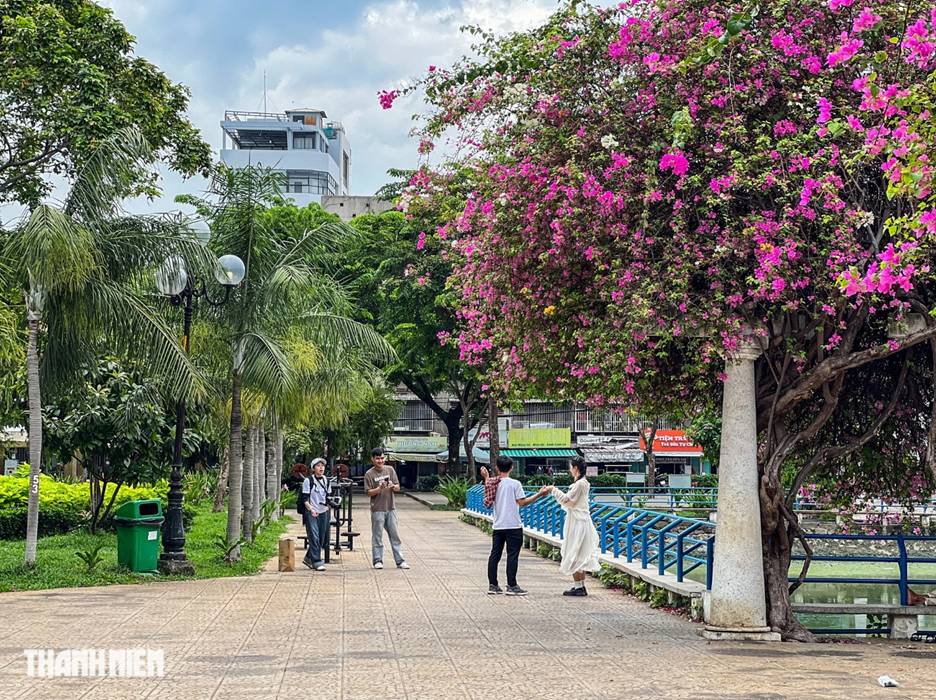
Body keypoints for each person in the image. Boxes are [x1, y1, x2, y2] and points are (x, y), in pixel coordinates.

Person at [481, 456, 551, 596]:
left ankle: (493, 585)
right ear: (512, 468)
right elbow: (522, 502)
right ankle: (512, 585)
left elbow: (488, 492)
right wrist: (539, 494)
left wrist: (486, 477)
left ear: (497, 467)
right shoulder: (515, 484)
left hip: (498, 525)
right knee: (512, 555)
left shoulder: (493, 483)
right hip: (513, 525)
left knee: (495, 555)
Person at [549, 457, 600, 596]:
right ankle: (580, 586)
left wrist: (553, 490)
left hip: (578, 522)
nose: (570, 470)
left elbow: (567, 500)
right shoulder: (583, 483)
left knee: (574, 551)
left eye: (571, 467)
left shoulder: (579, 484)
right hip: (581, 520)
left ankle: (579, 587)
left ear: (576, 468)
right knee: (579, 552)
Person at [364, 447, 409, 570]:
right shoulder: (369, 474)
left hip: (391, 508)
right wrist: (379, 488)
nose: (380, 461)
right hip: (377, 509)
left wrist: (392, 486)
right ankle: (377, 560)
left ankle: (400, 561)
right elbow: (368, 493)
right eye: (377, 458)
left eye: (382, 458)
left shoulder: (390, 469)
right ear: (372, 459)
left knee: (395, 535)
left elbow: (398, 487)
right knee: (377, 536)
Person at [301, 458, 332, 571]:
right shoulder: (308, 481)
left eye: (322, 465)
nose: (321, 468)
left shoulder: (326, 481)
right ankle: (317, 561)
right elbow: (305, 498)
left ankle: (308, 558)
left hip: (324, 511)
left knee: (322, 538)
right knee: (314, 536)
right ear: (313, 468)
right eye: (318, 465)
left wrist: (330, 505)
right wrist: (311, 509)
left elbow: (328, 496)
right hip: (312, 511)